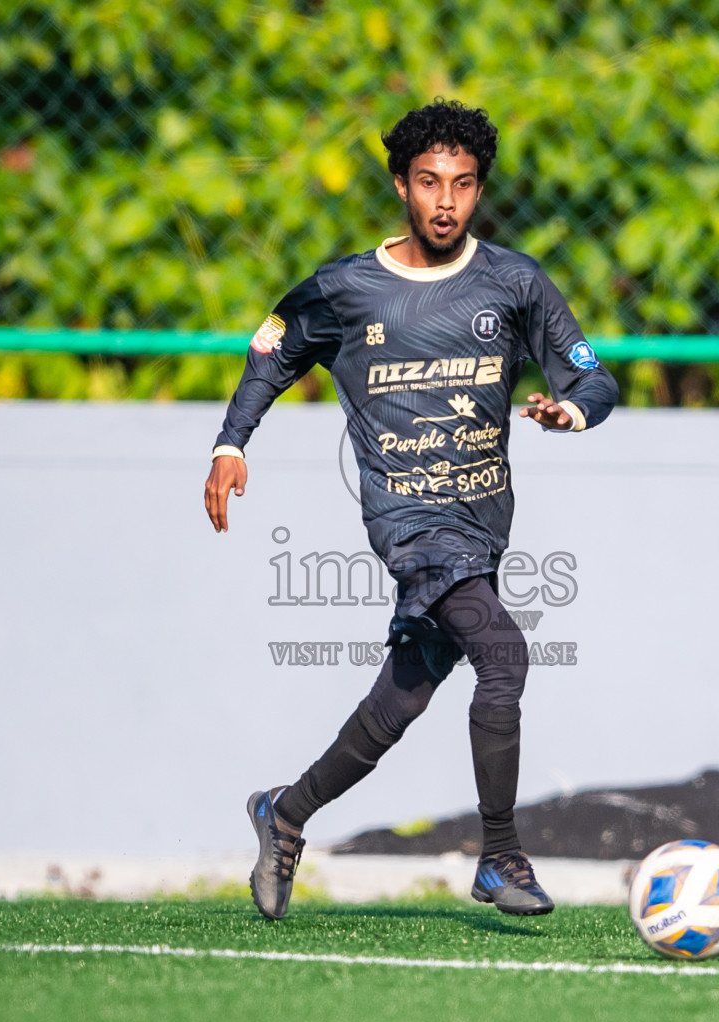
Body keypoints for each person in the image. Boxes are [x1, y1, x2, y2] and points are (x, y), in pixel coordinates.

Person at [204, 99, 618, 920]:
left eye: (463, 185)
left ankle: (283, 815)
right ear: (401, 184)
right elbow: (270, 354)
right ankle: (500, 856)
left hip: (483, 524)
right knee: (503, 657)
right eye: (428, 182)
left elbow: (594, 376)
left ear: (479, 190)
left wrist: (571, 410)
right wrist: (231, 444)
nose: (445, 201)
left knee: (402, 697)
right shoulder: (348, 289)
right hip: (409, 524)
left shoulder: (515, 282)